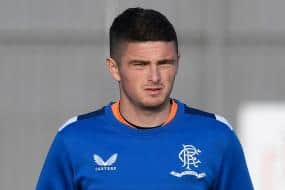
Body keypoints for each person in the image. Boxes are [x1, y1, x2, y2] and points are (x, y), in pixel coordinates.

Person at [36, 7, 254, 190]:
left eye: (164, 63)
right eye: (140, 64)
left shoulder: (216, 136)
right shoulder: (74, 139)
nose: (154, 77)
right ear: (114, 68)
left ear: (177, 63)